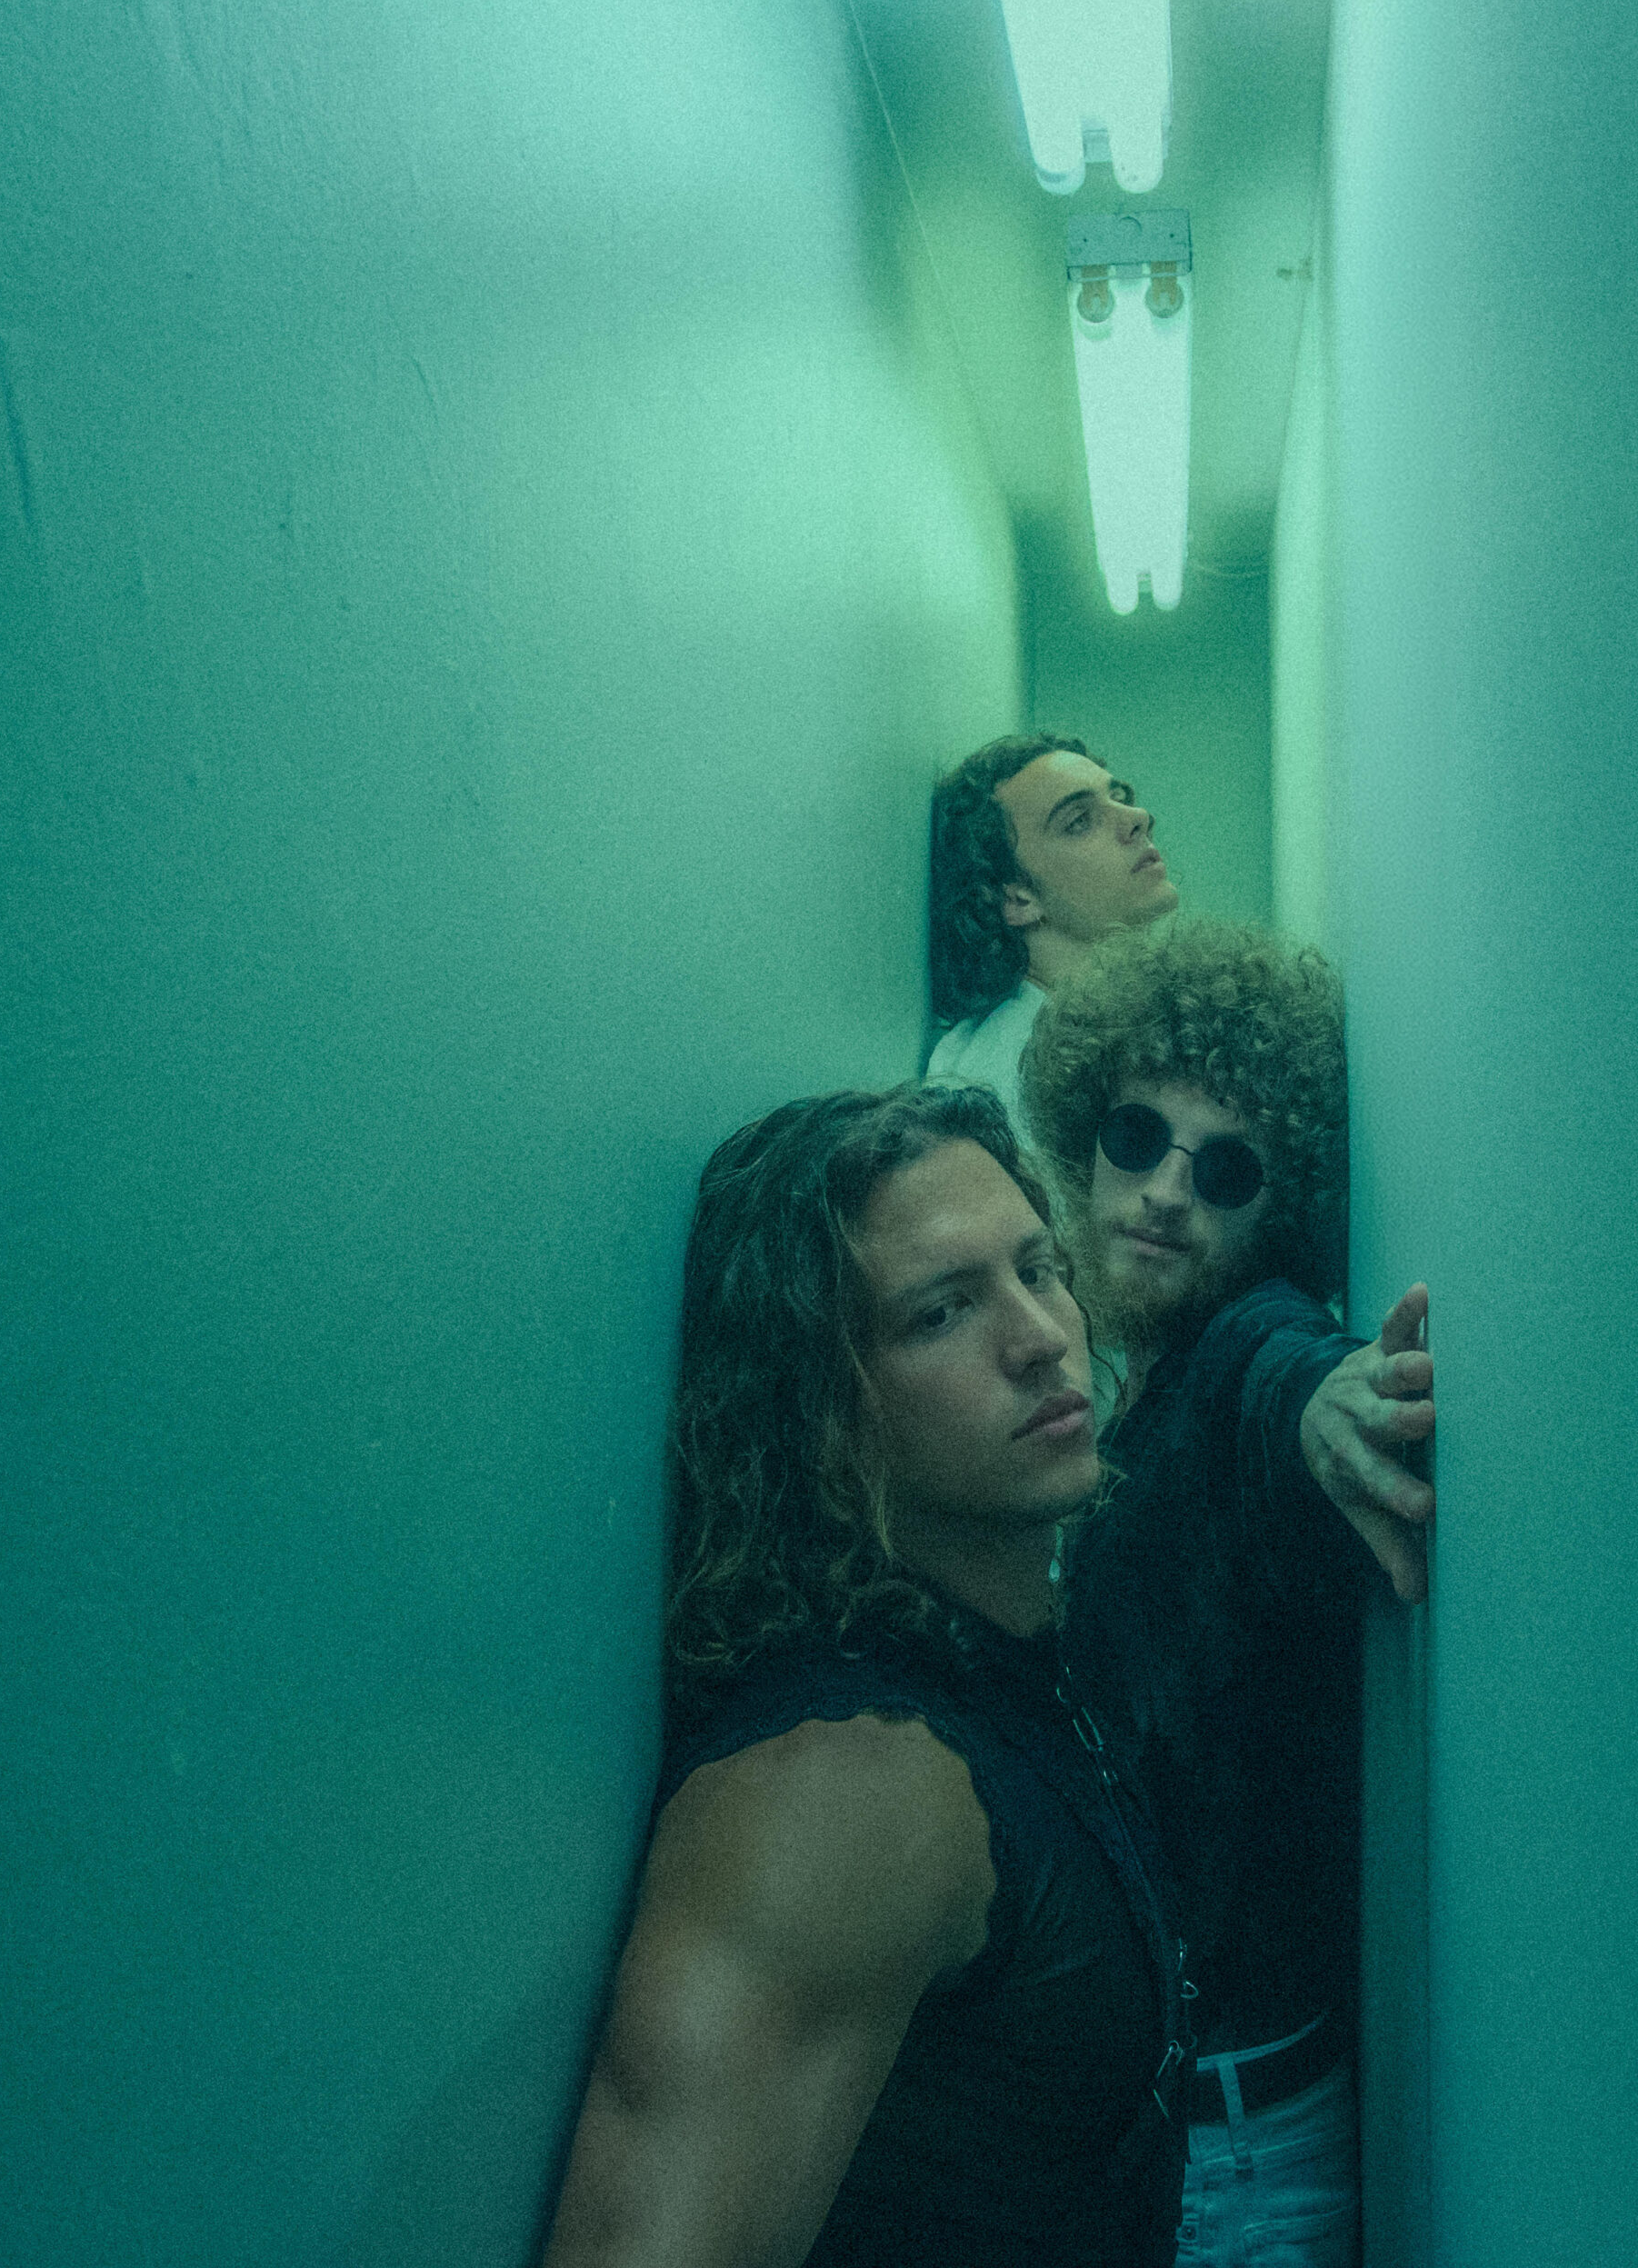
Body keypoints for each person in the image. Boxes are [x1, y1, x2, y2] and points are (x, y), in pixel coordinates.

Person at [542, 1085, 1191, 2268]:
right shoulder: (843, 1785)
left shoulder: (1001, 1650)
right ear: (823, 1405)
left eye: (1037, 1270)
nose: (1039, 1337)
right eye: (941, 1312)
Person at [1021, 923, 1435, 2268]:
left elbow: (1278, 1374)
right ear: (1085, 1135)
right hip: (1170, 2140)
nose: (1164, 1191)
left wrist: (1332, 1403)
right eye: (1137, 1136)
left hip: (1238, 2160)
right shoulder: (1131, 1390)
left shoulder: (1232, 1351)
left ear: (1279, 1211)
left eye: (1226, 1169)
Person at [925, 733, 1181, 1124]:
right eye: (1079, 821)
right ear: (1017, 899)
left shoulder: (1110, 1029)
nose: (1138, 817)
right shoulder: (1007, 1074)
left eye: (1119, 798)